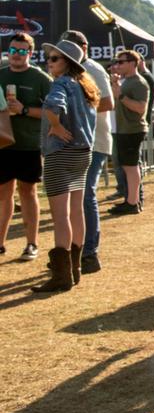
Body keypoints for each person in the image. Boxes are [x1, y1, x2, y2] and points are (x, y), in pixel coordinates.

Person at [31, 40, 98, 292]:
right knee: (76, 211)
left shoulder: (61, 83)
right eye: (48, 58)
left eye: (55, 58)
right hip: (83, 153)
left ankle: (62, 276)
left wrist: (56, 127)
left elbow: (51, 106)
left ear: (67, 62)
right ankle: (75, 269)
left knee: (60, 216)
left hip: (60, 153)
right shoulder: (85, 85)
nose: (49, 62)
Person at [60, 30, 113, 275]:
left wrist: (76, 110)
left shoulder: (92, 68)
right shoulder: (66, 71)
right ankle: (75, 253)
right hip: (75, 143)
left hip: (95, 141)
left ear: (85, 47)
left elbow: (108, 102)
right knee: (73, 198)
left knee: (85, 195)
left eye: (73, 47)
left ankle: (90, 252)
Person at [0, 32, 51, 261]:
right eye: (13, 50)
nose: (16, 55)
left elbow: (54, 113)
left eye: (22, 51)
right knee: (3, 194)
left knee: (28, 192)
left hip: (29, 145)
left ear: (30, 53)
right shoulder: (0, 75)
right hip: (2, 144)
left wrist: (24, 110)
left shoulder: (40, 79)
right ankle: (0, 243)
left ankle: (32, 244)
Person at [108, 49, 149, 216]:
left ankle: (133, 202)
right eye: (117, 62)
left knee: (131, 167)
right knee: (127, 166)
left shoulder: (139, 82)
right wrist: (116, 86)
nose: (117, 65)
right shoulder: (125, 81)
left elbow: (140, 108)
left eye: (121, 62)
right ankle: (131, 200)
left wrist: (121, 96)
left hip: (132, 129)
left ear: (133, 63)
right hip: (123, 130)